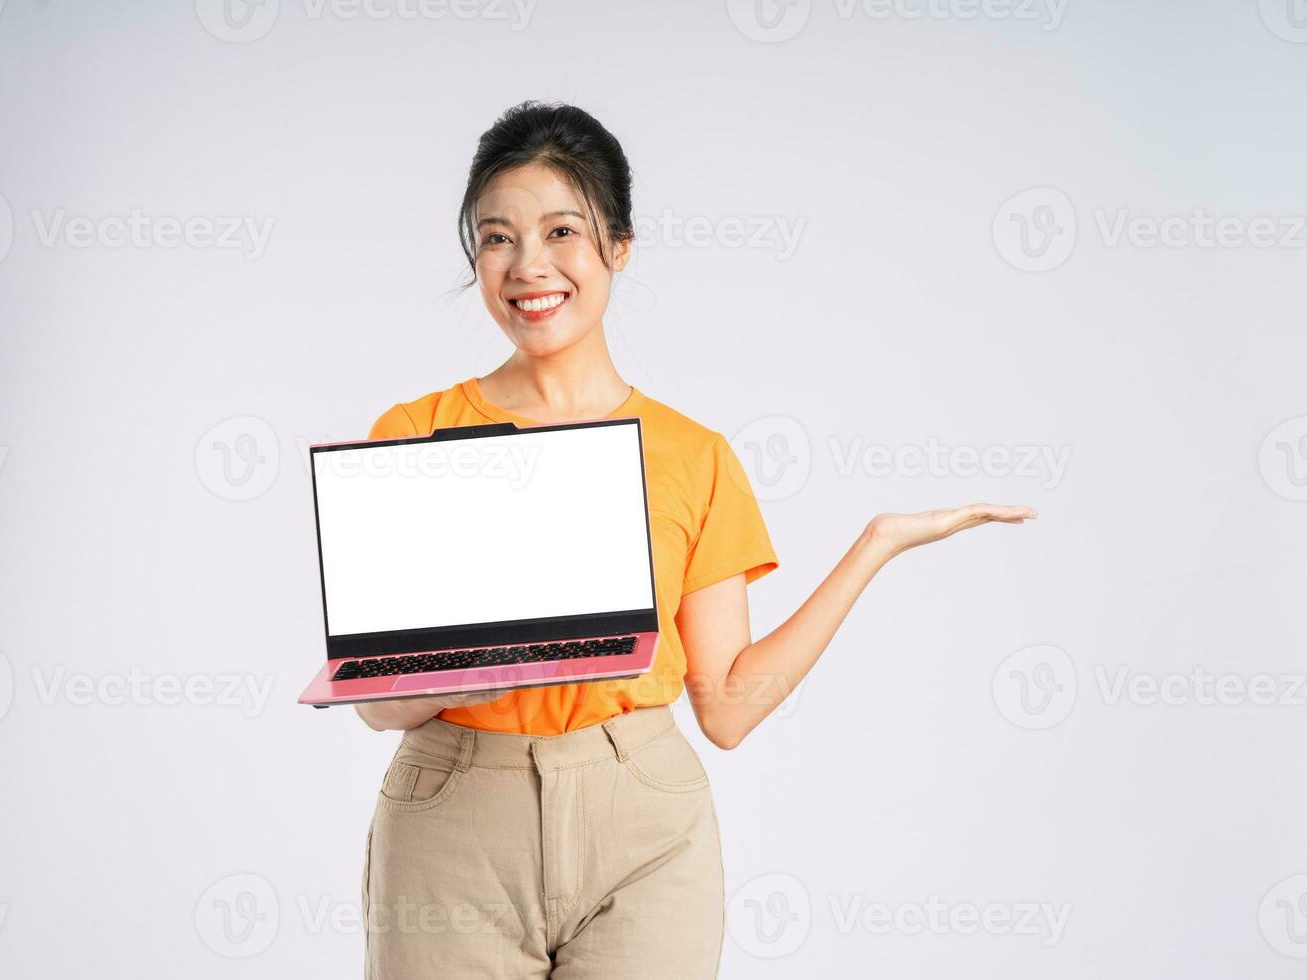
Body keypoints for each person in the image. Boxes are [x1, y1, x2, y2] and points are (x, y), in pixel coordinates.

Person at [352, 99, 1036, 979]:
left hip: (642, 820)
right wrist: (505, 645)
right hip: (453, 817)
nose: (529, 267)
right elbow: (378, 703)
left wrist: (877, 544)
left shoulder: (693, 456)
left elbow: (729, 707)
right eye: (496, 238)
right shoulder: (415, 435)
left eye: (563, 230)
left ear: (619, 246)